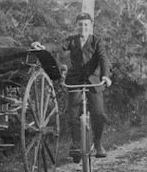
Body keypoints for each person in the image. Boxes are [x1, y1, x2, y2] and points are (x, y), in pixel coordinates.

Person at [31, 12, 112, 161]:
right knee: (73, 114)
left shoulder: (96, 42)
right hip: (75, 80)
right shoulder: (72, 41)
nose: (83, 27)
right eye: (80, 24)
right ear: (76, 26)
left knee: (99, 113)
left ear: (90, 26)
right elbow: (57, 46)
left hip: (93, 82)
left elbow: (103, 58)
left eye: (86, 25)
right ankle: (75, 144)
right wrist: (43, 47)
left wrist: (105, 76)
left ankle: (98, 142)